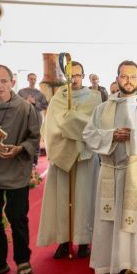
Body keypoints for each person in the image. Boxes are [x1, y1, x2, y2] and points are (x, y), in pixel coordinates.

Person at [83, 60, 137, 274]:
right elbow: (89, 134)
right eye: (124, 76)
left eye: (132, 76)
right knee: (108, 220)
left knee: (132, 220)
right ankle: (107, 262)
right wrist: (111, 135)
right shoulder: (103, 107)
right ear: (117, 78)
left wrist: (133, 137)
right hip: (110, 169)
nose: (128, 81)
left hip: (135, 171)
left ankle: (132, 264)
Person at [37, 61, 102, 258]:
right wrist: (73, 121)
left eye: (77, 75)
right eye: (70, 75)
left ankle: (83, 241)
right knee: (62, 199)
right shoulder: (59, 97)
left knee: (85, 198)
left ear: (83, 76)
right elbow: (52, 125)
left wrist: (70, 120)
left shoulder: (95, 97)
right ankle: (64, 242)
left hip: (85, 155)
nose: (74, 79)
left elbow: (93, 124)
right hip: (62, 155)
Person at [0, 65, 40, 274]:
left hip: (17, 171)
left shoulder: (25, 109)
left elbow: (35, 138)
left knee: (18, 218)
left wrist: (20, 149)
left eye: (3, 80)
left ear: (12, 82)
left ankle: (22, 260)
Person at [18, 72, 49, 168]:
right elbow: (15, 103)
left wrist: (34, 102)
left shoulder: (40, 94)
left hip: (36, 119)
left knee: (35, 139)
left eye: (34, 79)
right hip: (23, 118)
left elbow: (45, 106)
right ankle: (22, 160)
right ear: (28, 79)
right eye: (31, 78)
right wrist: (25, 102)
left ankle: (34, 162)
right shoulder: (21, 92)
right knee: (22, 137)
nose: (33, 80)